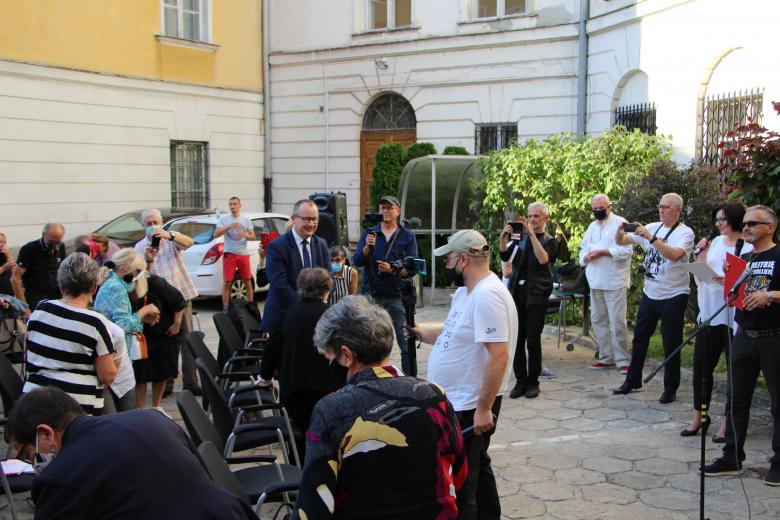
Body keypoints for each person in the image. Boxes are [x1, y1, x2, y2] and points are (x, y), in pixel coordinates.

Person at [294, 296, 466, 519]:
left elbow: (314, 505)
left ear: (346, 355)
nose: (329, 366)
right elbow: (460, 474)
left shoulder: (331, 410)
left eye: (329, 358)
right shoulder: (433, 394)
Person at [6, 387, 257, 519]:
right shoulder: (150, 417)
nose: (33, 464)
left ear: (45, 434)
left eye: (28, 455)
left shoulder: (58, 476)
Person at [411, 229, 518, 519]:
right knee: (477, 468)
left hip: (471, 404)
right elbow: (455, 333)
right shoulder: (466, 292)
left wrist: (484, 408)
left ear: (463, 259)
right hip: (460, 401)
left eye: (449, 259)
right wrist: (423, 334)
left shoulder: (488, 295)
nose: (446, 265)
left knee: (464, 481)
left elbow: (499, 354)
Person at [703, 205, 780, 485]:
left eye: (753, 224)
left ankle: (778, 463)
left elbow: (767, 290)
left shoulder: (778, 255)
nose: (745, 227)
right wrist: (729, 280)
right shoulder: (744, 257)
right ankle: (731, 457)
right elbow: (737, 295)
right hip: (745, 334)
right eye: (745, 223)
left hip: (773, 337)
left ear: (770, 227)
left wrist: (769, 295)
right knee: (737, 400)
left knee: (777, 403)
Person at [613, 193, 694, 403]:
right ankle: (633, 379)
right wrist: (619, 230)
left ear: (678, 210)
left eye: (667, 207)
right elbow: (622, 241)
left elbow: (674, 255)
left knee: (671, 341)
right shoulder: (653, 226)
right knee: (640, 337)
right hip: (651, 292)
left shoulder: (685, 233)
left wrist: (651, 238)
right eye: (660, 206)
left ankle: (670, 387)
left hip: (674, 294)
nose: (662, 210)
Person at [682, 202, 751, 440]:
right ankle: (699, 415)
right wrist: (701, 257)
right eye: (717, 220)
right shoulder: (714, 243)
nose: (719, 224)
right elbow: (702, 275)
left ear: (736, 220)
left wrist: (731, 281)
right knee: (702, 366)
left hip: (734, 316)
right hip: (710, 310)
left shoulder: (748, 246)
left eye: (723, 220)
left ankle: (728, 421)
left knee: (734, 370)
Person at [259, 268, 346, 453]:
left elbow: (272, 348)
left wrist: (266, 377)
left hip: (295, 387)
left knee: (298, 435)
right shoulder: (335, 316)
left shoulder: (288, 314)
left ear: (300, 289)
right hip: (329, 386)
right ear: (327, 290)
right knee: (330, 435)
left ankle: (298, 469)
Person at [22, 253, 118, 414]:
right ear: (94, 288)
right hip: (76, 409)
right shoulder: (95, 322)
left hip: (33, 402)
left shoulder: (40, 308)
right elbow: (107, 376)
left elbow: (28, 355)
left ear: (61, 285)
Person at [134, 208, 201, 395]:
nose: (153, 227)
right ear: (143, 226)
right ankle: (166, 383)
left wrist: (169, 235)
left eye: (156, 222)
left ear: (162, 221)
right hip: (161, 302)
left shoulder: (171, 238)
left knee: (187, 341)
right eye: (149, 224)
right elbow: (140, 275)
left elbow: (189, 242)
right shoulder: (140, 247)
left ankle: (191, 382)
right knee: (165, 344)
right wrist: (148, 259)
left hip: (182, 295)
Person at [352, 195, 419, 374]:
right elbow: (357, 260)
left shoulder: (407, 235)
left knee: (406, 341)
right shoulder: (370, 233)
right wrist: (367, 248)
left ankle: (411, 381)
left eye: (390, 208)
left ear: (398, 211)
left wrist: (393, 270)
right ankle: (371, 378)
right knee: (370, 340)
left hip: (397, 295)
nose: (386, 211)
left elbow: (412, 268)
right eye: (382, 207)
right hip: (372, 295)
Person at [500, 202, 556, 399]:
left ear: (545, 219)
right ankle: (520, 381)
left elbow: (543, 260)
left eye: (537, 216)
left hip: (537, 294)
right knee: (517, 340)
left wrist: (532, 235)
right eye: (530, 216)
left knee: (533, 340)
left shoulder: (550, 240)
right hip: (518, 293)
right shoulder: (520, 239)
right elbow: (504, 255)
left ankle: (533, 382)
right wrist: (504, 237)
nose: (532, 220)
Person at [95, 249, 159, 412]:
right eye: (137, 272)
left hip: (113, 352)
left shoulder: (111, 282)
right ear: (125, 269)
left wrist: (140, 320)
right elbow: (121, 326)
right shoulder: (117, 287)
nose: (138, 277)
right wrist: (142, 312)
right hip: (116, 357)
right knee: (127, 409)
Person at [578, 194, 633, 372]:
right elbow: (583, 248)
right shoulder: (592, 227)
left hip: (614, 280)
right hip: (595, 280)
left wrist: (604, 252)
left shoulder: (620, 223)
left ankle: (623, 359)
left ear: (609, 207)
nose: (598, 212)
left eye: (601, 209)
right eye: (595, 209)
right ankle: (606, 356)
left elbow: (626, 251)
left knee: (617, 321)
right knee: (598, 320)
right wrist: (585, 257)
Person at [260, 199, 329, 333]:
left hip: (313, 321)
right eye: (306, 219)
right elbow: (279, 285)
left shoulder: (321, 244)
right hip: (283, 320)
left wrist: (320, 305)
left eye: (315, 219)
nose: (311, 224)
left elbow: (328, 278)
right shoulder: (277, 247)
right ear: (293, 219)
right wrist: (306, 310)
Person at [11, 223, 66, 318]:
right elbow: (15, 278)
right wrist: (24, 308)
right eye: (51, 242)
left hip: (55, 297)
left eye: (57, 243)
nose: (54, 247)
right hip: (35, 298)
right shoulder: (29, 249)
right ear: (43, 234)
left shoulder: (61, 247)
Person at [214, 196, 256, 312]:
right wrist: (228, 227)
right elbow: (215, 234)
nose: (232, 206)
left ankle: (250, 304)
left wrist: (245, 235)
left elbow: (253, 237)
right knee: (227, 281)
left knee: (247, 280)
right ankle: (226, 308)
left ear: (239, 205)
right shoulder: (224, 220)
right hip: (229, 253)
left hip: (242, 253)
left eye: (234, 204)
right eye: (230, 204)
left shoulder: (246, 220)